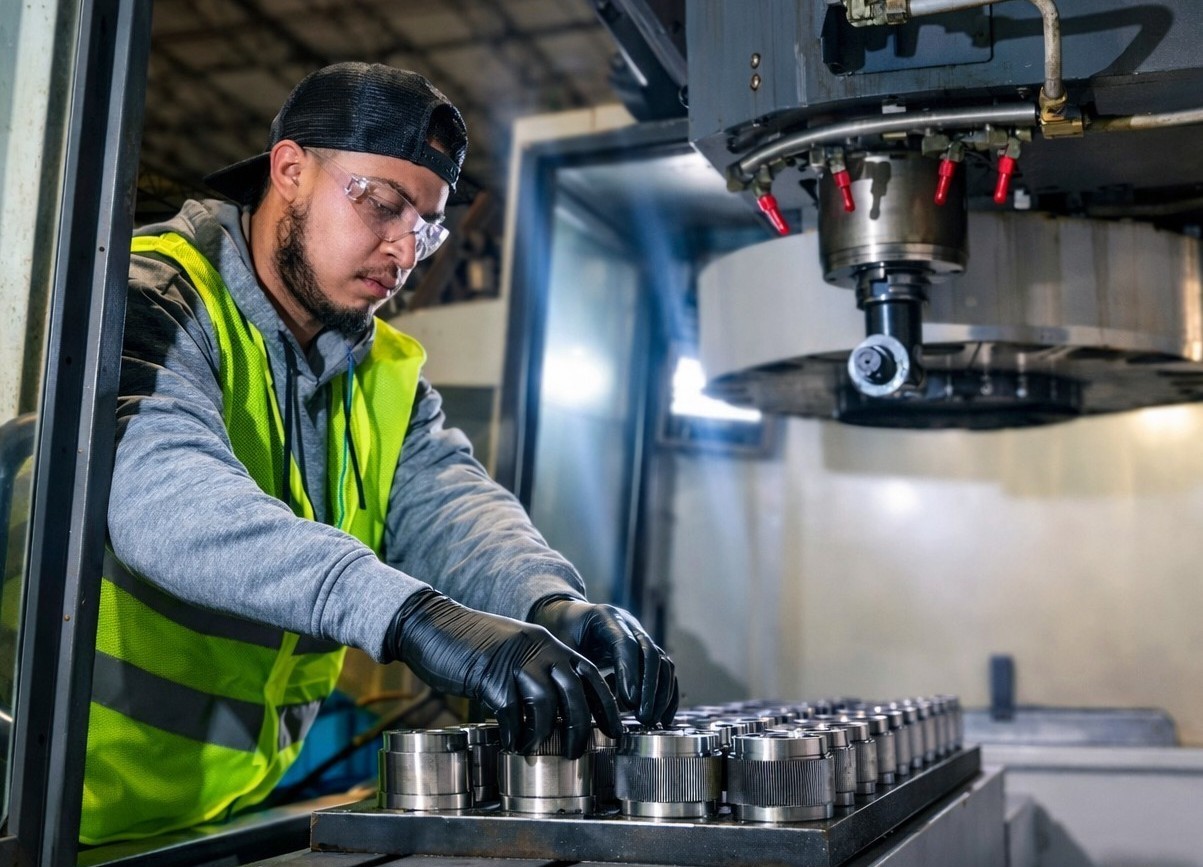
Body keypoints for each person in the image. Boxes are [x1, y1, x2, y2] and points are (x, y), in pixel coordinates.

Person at [85, 62, 677, 845]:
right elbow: (162, 497)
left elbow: (450, 508)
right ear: (289, 170)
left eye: (426, 227)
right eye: (382, 203)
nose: (404, 250)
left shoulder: (378, 368)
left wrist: (548, 604)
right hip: (56, 802)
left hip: (211, 817)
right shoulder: (150, 294)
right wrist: (412, 617)